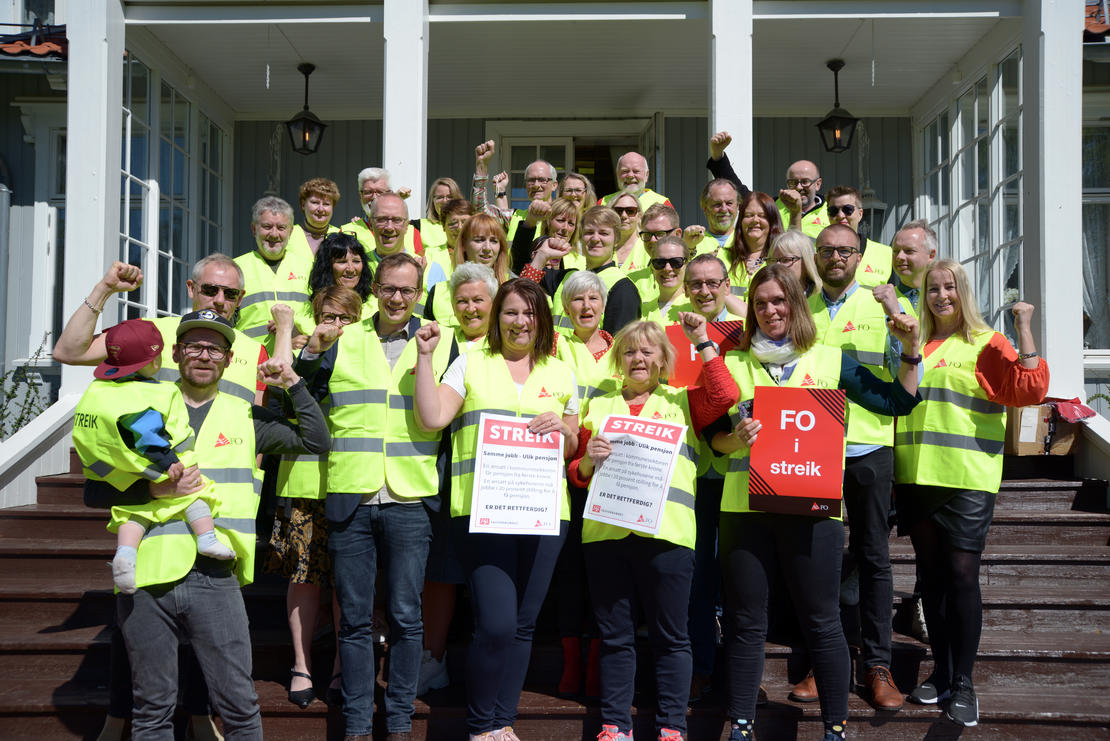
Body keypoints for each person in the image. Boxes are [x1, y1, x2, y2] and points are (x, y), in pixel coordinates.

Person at [85, 309, 330, 739]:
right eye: (194, 346)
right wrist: (153, 493)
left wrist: (291, 381)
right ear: (176, 353)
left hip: (216, 577)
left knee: (238, 705)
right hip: (149, 572)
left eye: (214, 348)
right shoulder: (139, 404)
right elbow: (95, 491)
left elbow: (316, 440)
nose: (204, 355)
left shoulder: (245, 416)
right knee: (152, 710)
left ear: (228, 358)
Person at [709, 264, 921, 741]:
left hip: (813, 510)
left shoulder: (830, 358)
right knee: (745, 623)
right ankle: (741, 726)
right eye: (761, 303)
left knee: (822, 619)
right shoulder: (732, 362)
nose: (770, 310)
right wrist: (736, 439)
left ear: (796, 305)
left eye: (779, 301)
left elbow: (896, 402)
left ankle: (835, 727)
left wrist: (909, 350)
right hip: (745, 512)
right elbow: (713, 442)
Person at [295, 252, 454, 741]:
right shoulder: (343, 338)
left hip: (410, 496)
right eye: (389, 288)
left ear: (419, 290)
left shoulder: (441, 342)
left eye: (408, 289)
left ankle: (400, 721)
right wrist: (308, 353)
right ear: (374, 288)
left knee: (407, 617)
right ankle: (360, 725)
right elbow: (297, 396)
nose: (398, 297)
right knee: (356, 620)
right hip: (352, 493)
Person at [412, 279, 580, 741]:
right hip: (482, 511)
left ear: (541, 319)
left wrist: (562, 431)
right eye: (509, 312)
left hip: (545, 514)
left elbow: (572, 444)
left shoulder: (561, 372)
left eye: (528, 313)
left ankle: (503, 722)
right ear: (496, 317)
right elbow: (432, 418)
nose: (519, 321)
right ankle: (481, 725)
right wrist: (425, 358)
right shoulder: (469, 364)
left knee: (523, 625)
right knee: (497, 623)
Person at [569, 317, 738, 741]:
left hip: (668, 538)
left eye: (648, 351)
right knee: (614, 637)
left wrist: (702, 340)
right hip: (607, 538)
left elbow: (725, 394)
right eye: (629, 351)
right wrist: (588, 458)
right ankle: (614, 724)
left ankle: (671, 727)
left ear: (664, 360)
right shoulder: (598, 403)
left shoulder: (684, 401)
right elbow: (577, 472)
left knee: (671, 636)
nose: (638, 358)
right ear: (617, 360)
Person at [896, 259, 1048, 727]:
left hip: (967, 478)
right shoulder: (915, 343)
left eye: (950, 288)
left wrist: (1023, 327)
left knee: (962, 577)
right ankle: (941, 673)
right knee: (933, 580)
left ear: (964, 292)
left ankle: (964, 683)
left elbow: (1031, 389)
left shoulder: (986, 342)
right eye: (934, 288)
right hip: (917, 477)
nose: (942, 296)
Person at [787, 224, 912, 712]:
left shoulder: (883, 306)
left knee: (873, 555)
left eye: (846, 250)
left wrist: (896, 316)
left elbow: (904, 371)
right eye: (827, 250)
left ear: (861, 256)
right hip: (810, 448)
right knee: (820, 558)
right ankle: (827, 660)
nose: (836, 257)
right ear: (814, 256)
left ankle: (878, 665)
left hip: (867, 446)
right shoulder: (802, 307)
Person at [73, 319, 233, 595]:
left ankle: (125, 555)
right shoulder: (147, 394)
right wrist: (169, 461)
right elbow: (147, 434)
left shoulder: (99, 391)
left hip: (120, 472)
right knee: (196, 493)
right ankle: (206, 537)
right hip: (155, 468)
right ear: (154, 361)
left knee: (132, 514)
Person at [268, 287, 362, 709]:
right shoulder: (302, 352)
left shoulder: (367, 354)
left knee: (348, 584)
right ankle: (302, 665)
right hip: (304, 481)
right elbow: (282, 397)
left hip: (350, 480)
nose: (335, 325)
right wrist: (308, 349)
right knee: (304, 579)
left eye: (345, 318)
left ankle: (344, 665)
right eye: (328, 316)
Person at [417, 262, 501, 697]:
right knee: (443, 568)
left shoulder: (515, 342)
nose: (470, 308)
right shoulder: (441, 342)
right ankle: (433, 659)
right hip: (448, 468)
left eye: (478, 300)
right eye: (462, 301)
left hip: (505, 474)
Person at [53, 257, 269, 408]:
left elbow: (255, 432)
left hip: (222, 472)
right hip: (157, 470)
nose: (220, 300)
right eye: (210, 290)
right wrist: (104, 289)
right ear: (191, 288)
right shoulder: (147, 331)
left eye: (230, 293)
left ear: (240, 299)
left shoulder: (255, 351)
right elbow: (69, 352)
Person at [549, 270, 619, 699]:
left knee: (605, 572)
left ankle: (595, 663)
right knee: (570, 571)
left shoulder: (621, 347)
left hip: (611, 472)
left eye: (594, 298)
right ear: (565, 307)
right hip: (563, 469)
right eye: (577, 299)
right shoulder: (553, 345)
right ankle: (571, 665)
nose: (586, 306)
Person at [521, 206, 642, 337]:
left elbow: (618, 349)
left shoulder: (623, 288)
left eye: (604, 233)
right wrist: (542, 255)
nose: (595, 238)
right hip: (551, 356)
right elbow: (522, 283)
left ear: (616, 240)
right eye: (589, 232)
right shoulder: (567, 278)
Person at [706, 131, 828, 238]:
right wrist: (718, 156)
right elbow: (740, 192)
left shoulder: (832, 211)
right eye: (793, 182)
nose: (799, 187)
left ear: (818, 184)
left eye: (805, 182)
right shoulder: (774, 206)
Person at [234, 196, 314, 354]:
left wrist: (302, 334)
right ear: (253, 229)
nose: (274, 234)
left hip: (298, 365)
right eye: (267, 226)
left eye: (281, 228)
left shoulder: (309, 268)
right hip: (251, 363)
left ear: (291, 231)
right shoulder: (235, 268)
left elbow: (321, 317)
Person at [425, 213, 510, 327]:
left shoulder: (510, 290)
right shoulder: (439, 292)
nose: (487, 248)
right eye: (479, 240)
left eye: (494, 241)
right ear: (463, 244)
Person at [473, 139, 557, 242]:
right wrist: (482, 165)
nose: (536, 185)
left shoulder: (563, 219)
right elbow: (480, 209)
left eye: (542, 180)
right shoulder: (513, 217)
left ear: (554, 185)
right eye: (531, 180)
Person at [824, 185, 893, 287]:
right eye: (833, 211)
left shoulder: (887, 254)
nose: (840, 215)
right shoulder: (818, 254)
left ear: (860, 214)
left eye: (847, 209)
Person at [342, 167, 421, 255]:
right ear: (360, 195)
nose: (374, 197)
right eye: (368, 192)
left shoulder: (412, 232)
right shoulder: (346, 231)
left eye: (380, 192)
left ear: (390, 193)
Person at [723, 192, 783, 301]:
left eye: (762, 216)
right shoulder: (723, 256)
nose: (755, 220)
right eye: (749, 215)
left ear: (772, 221)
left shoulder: (782, 260)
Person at [873, 219, 938, 318]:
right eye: (895, 251)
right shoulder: (879, 300)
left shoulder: (947, 300)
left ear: (931, 255)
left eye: (909, 251)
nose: (899, 257)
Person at [305, 232, 376, 320]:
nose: (350, 269)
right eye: (342, 262)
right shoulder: (307, 313)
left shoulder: (377, 307)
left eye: (356, 261)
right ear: (327, 266)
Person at [684, 178, 741, 260]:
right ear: (705, 208)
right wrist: (687, 247)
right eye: (717, 204)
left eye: (729, 203)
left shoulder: (748, 241)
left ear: (738, 206)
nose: (724, 209)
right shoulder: (693, 243)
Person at [287, 177, 342, 260]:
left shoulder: (341, 236)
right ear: (303, 204)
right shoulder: (288, 234)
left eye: (326, 204)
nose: (320, 209)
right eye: (315, 202)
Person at [638, 236, 689, 325]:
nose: (667, 268)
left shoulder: (696, 307)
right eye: (659, 263)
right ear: (652, 267)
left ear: (686, 264)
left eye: (676, 262)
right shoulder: (640, 311)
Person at [599, 151, 673, 211]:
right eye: (625, 171)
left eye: (636, 171)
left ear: (646, 175)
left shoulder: (663, 204)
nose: (630, 175)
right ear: (617, 174)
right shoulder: (603, 203)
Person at [766, 229, 822, 297]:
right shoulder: (765, 297)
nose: (777, 266)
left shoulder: (824, 297)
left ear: (806, 262)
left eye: (786, 260)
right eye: (773, 260)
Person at [419, 176, 464, 252]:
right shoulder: (418, 226)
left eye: (450, 197)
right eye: (440, 197)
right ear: (432, 200)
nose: (445, 201)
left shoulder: (467, 225)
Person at [610, 190, 651, 273]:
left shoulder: (648, 247)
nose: (624, 216)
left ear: (639, 216)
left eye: (630, 211)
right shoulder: (603, 246)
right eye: (618, 211)